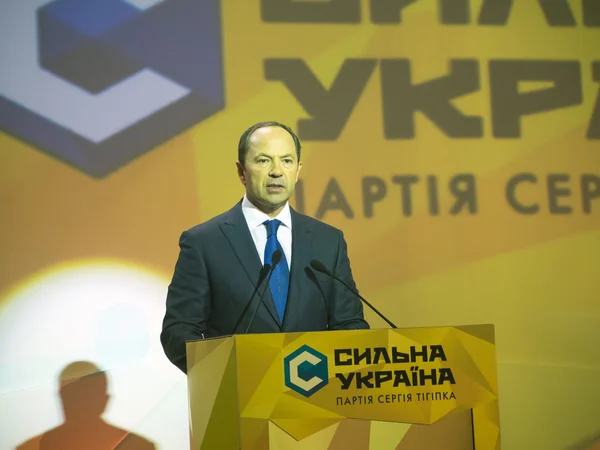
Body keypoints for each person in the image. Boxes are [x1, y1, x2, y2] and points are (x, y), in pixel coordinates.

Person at [160, 121, 369, 373]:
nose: (277, 171)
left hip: (314, 399)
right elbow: (178, 331)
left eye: (287, 161)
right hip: (238, 400)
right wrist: (222, 372)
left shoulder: (328, 241)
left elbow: (349, 325)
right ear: (241, 171)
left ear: (298, 170)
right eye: (263, 161)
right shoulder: (204, 242)